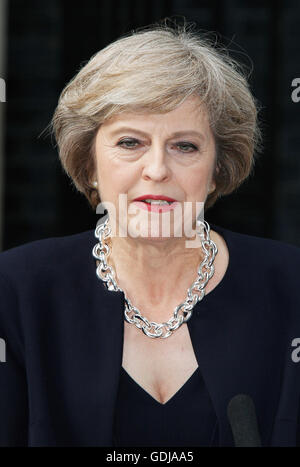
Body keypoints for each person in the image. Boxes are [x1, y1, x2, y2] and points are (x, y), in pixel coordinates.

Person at [0, 19, 300, 447]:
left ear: (217, 169)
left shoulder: (292, 287)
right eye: (130, 142)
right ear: (89, 165)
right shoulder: (14, 290)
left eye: (185, 146)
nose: (157, 169)